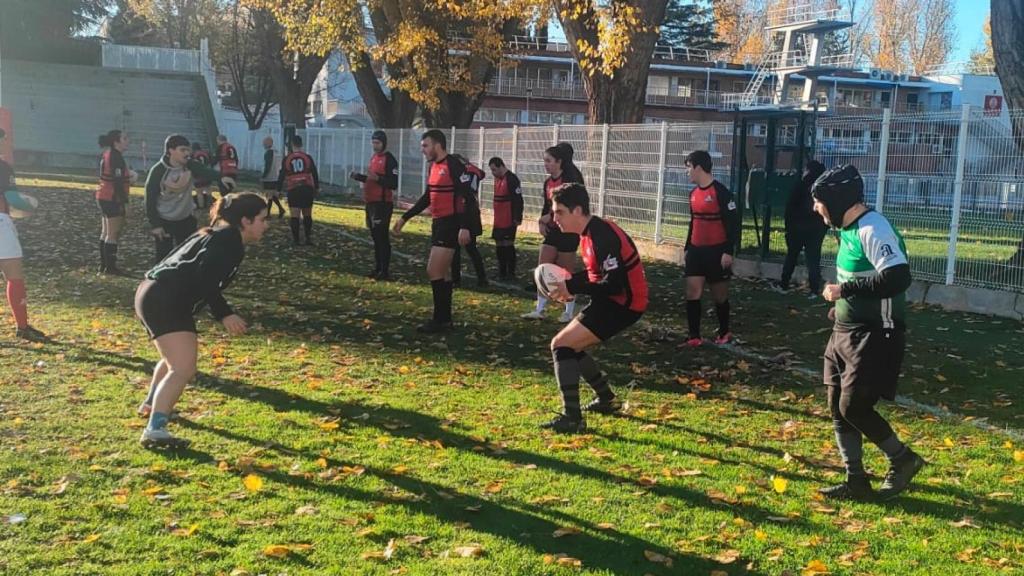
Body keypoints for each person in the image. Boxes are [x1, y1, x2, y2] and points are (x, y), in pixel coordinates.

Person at [814, 164, 924, 501]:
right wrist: (841, 308)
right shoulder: (846, 228)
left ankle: (903, 459)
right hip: (844, 331)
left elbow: (897, 278)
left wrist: (843, 292)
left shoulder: (873, 228)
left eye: (819, 201)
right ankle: (855, 480)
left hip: (877, 334)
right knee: (836, 404)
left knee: (854, 407)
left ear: (836, 199)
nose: (815, 208)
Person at [135, 192, 269, 447]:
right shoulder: (228, 241)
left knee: (173, 360)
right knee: (183, 368)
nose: (267, 225)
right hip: (164, 298)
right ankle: (155, 430)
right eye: (263, 219)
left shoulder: (218, 233)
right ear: (246, 221)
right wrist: (225, 314)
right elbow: (205, 278)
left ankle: (152, 404)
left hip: (153, 292)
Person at [542, 183, 648, 433]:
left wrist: (572, 287)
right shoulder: (590, 233)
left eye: (560, 212)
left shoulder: (601, 236)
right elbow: (594, 277)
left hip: (625, 304)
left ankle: (573, 418)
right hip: (614, 301)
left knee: (561, 345)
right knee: (569, 345)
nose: (554, 218)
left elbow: (614, 284)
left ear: (577, 210)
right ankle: (607, 399)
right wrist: (569, 285)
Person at [392, 129, 474, 333]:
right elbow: (427, 197)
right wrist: (405, 217)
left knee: (433, 270)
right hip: (438, 223)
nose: (423, 150)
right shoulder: (434, 167)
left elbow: (466, 197)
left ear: (438, 145)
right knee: (443, 273)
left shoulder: (453, 165)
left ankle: (440, 319)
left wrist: (464, 226)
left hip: (450, 224)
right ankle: (444, 320)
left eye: (425, 146)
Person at [681, 150, 740, 347]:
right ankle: (694, 336)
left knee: (720, 296)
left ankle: (724, 331)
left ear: (698, 167)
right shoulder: (693, 194)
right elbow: (693, 222)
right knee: (692, 292)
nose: (687, 172)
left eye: (688, 167)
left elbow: (733, 223)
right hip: (696, 252)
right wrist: (688, 247)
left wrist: (728, 251)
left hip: (717, 252)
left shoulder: (721, 193)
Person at [146, 134, 235, 263]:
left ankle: (183, 281)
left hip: (186, 219)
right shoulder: (158, 171)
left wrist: (222, 177)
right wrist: (155, 224)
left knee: (188, 254)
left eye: (188, 150)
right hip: (165, 220)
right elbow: (149, 199)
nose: (187, 153)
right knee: (163, 257)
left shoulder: (190, 165)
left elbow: (206, 171)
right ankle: (160, 282)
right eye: (183, 150)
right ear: (171, 151)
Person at [523, 143, 584, 323]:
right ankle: (540, 308)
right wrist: (542, 221)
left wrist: (548, 217)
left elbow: (567, 206)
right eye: (545, 161)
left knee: (565, 272)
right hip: (553, 231)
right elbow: (546, 206)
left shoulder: (570, 180)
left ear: (559, 162)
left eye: (549, 161)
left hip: (568, 230)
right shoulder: (548, 182)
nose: (545, 164)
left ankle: (568, 311)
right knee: (543, 267)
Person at [0, 128, 46, 341]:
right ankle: (22, 326)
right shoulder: (3, 167)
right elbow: (12, 197)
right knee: (14, 275)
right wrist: (30, 206)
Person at [350, 130, 398, 280]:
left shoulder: (389, 160)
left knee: (382, 237)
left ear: (384, 143)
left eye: (377, 143)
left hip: (382, 204)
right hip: (370, 202)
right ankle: (378, 267)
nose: (374, 146)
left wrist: (377, 178)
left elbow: (393, 183)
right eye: (373, 143)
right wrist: (359, 177)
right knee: (375, 236)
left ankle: (385, 270)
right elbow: (371, 179)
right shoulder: (374, 158)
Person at [777, 159, 827, 298]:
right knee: (813, 259)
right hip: (816, 229)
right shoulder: (822, 188)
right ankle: (814, 289)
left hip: (797, 228)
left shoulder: (800, 185)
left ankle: (784, 284)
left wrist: (788, 227)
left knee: (792, 256)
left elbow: (790, 207)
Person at [96, 130, 134, 275]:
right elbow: (117, 182)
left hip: (103, 196)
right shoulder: (116, 157)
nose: (127, 141)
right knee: (113, 233)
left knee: (106, 232)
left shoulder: (107, 154)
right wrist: (125, 203)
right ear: (116, 142)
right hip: (111, 198)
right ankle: (110, 268)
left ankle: (104, 265)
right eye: (124, 138)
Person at [449, 154, 488, 287]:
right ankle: (458, 278)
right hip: (463, 212)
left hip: (468, 213)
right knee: (460, 249)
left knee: (469, 248)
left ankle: (480, 278)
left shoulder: (468, 172)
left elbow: (470, 191)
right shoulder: (469, 171)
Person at [279, 135, 320, 246]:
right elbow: (314, 173)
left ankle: (296, 240)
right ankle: (308, 238)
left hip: (294, 188)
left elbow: (282, 174)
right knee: (307, 214)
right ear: (301, 144)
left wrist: (278, 189)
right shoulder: (307, 157)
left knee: (294, 215)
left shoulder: (287, 158)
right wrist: (316, 187)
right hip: (306, 188)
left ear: (292, 145)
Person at [488, 157, 523, 280]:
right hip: (498, 218)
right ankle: (501, 271)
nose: (493, 172)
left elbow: (518, 200)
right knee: (499, 244)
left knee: (508, 244)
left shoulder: (512, 179)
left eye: (494, 169)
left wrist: (517, 217)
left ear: (501, 166)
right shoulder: (497, 179)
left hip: (509, 218)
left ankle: (511, 272)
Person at [261, 136, 286, 218]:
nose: (263, 145)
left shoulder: (269, 153)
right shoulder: (277, 152)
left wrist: (263, 176)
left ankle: (268, 213)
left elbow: (268, 165)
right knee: (273, 195)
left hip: (269, 177)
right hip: (276, 176)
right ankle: (280, 209)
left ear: (269, 143)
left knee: (269, 195)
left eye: (264, 143)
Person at [190, 142, 213, 209]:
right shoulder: (206, 153)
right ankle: (211, 205)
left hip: (198, 176)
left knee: (199, 192)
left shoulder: (193, 154)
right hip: (207, 174)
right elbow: (211, 162)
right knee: (208, 190)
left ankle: (201, 207)